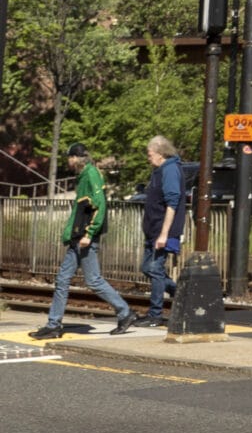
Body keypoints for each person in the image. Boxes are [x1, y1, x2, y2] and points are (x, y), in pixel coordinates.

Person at [31, 144, 134, 339]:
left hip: (85, 238)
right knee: (62, 279)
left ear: (76, 158)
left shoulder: (91, 174)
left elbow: (100, 205)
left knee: (93, 280)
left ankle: (125, 312)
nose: (68, 161)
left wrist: (90, 233)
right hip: (77, 238)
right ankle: (54, 325)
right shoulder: (84, 175)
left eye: (69, 158)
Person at [139, 134, 185, 329]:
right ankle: (181, 294)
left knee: (155, 269)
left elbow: (172, 203)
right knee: (147, 268)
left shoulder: (171, 170)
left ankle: (155, 314)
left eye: (150, 154)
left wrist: (164, 234)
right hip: (153, 229)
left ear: (160, 154)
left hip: (162, 229)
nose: (148, 158)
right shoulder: (159, 171)